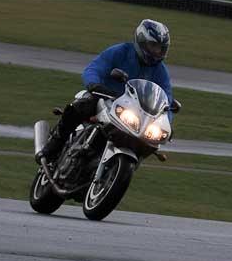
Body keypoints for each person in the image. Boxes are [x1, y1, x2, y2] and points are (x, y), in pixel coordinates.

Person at [37, 18, 173, 163]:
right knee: (81, 105)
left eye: (161, 48)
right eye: (153, 46)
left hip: (134, 114)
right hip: (105, 99)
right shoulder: (120, 52)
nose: (157, 52)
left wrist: (167, 122)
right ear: (141, 41)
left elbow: (166, 99)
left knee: (146, 142)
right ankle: (53, 146)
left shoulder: (160, 71)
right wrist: (94, 84)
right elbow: (94, 68)